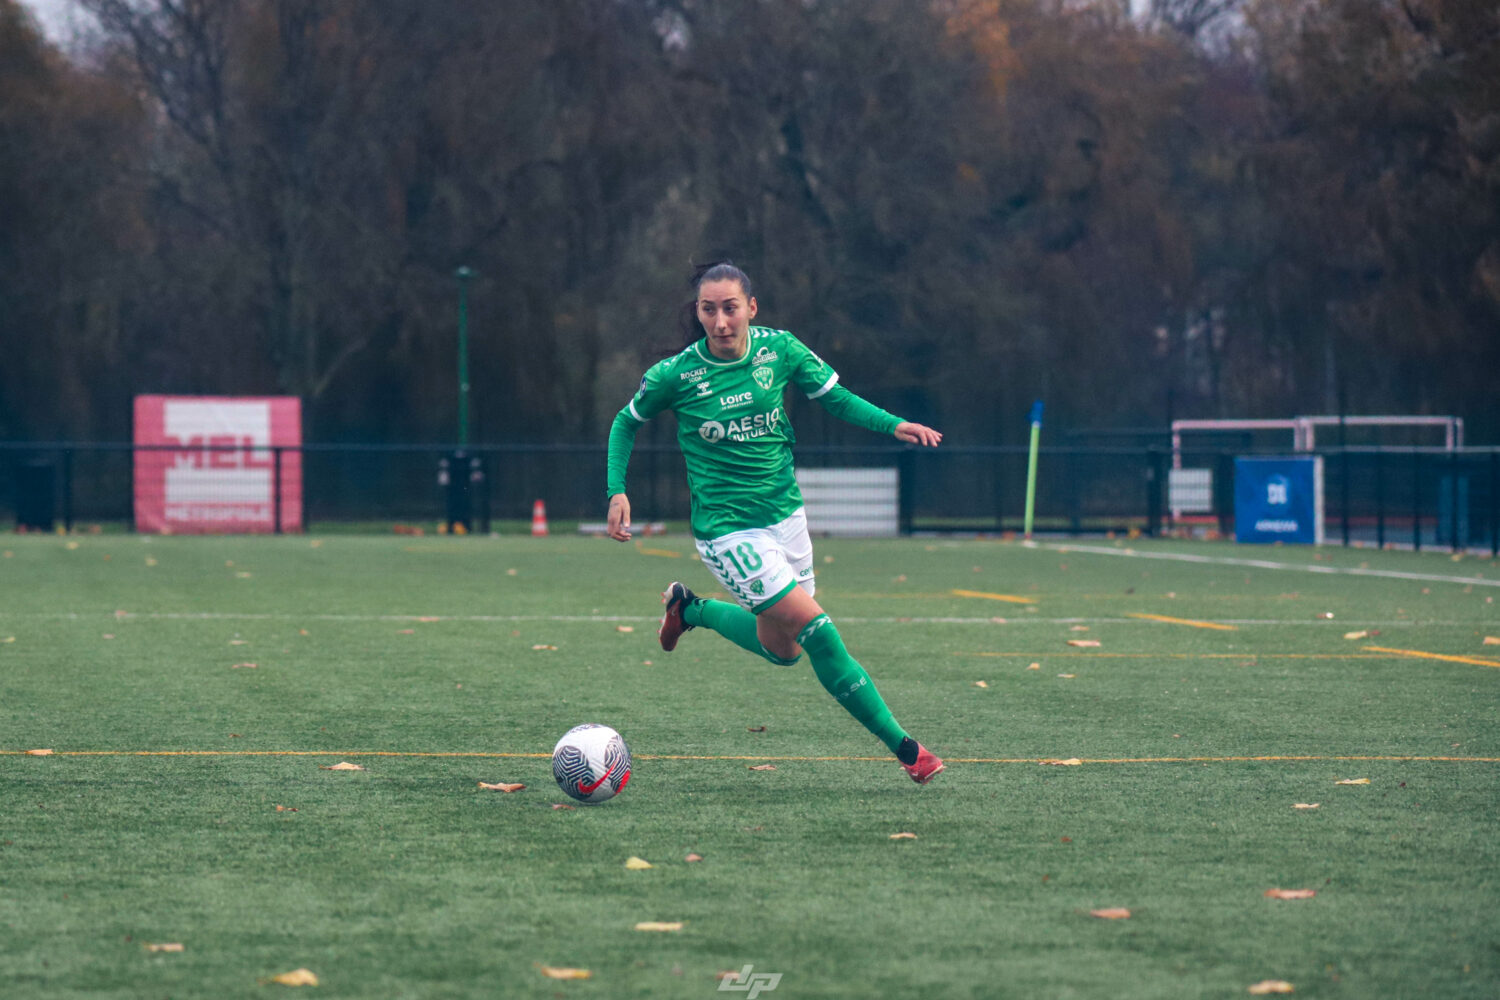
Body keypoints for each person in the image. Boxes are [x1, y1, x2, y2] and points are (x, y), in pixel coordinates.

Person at [604, 261, 945, 784]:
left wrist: (893, 423)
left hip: (786, 519)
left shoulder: (780, 350)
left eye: (730, 308)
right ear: (698, 313)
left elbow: (836, 398)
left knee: (782, 650)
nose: (719, 321)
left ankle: (689, 610)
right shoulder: (676, 375)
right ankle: (907, 749)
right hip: (728, 530)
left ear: (751, 308)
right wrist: (617, 489)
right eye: (708, 310)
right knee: (819, 633)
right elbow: (626, 421)